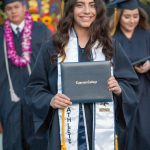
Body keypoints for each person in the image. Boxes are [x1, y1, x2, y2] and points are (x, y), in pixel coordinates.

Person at [25, 0, 139, 149]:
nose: (87, 11)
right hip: (66, 130)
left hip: (103, 129)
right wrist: (50, 100)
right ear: (70, 9)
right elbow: (34, 87)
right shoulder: (54, 47)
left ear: (98, 9)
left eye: (92, 5)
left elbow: (131, 84)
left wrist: (119, 89)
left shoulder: (110, 46)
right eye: (80, 5)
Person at [0, 0, 51, 150]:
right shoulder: (1, 33)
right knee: (12, 142)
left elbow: (52, 65)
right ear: (5, 12)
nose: (13, 11)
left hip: (37, 98)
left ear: (24, 7)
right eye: (9, 8)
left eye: (16, 7)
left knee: (39, 142)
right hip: (8, 100)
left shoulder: (41, 30)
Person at [110, 0, 150, 149]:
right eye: (127, 16)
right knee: (123, 134)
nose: (132, 20)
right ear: (118, 16)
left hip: (145, 92)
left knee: (145, 133)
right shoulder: (111, 38)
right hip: (122, 93)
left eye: (135, 16)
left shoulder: (146, 35)